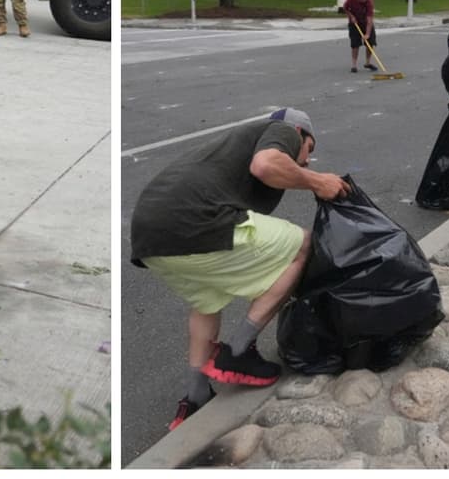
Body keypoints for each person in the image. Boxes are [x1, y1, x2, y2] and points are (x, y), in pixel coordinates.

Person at [129, 108, 349, 431]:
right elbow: (264, 166)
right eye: (310, 149)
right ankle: (238, 351)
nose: (306, 160)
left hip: (151, 236)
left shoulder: (232, 146)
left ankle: (195, 399)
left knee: (207, 301)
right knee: (303, 245)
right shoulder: (284, 131)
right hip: (195, 221)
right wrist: (318, 181)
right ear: (300, 133)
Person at [343, 0, 378, 73]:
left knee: (370, 42)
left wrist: (367, 34)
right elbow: (345, 8)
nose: (364, 0)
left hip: (365, 22)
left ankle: (367, 63)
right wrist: (351, 16)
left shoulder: (369, 3)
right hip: (354, 23)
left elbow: (369, 20)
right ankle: (354, 65)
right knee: (355, 44)